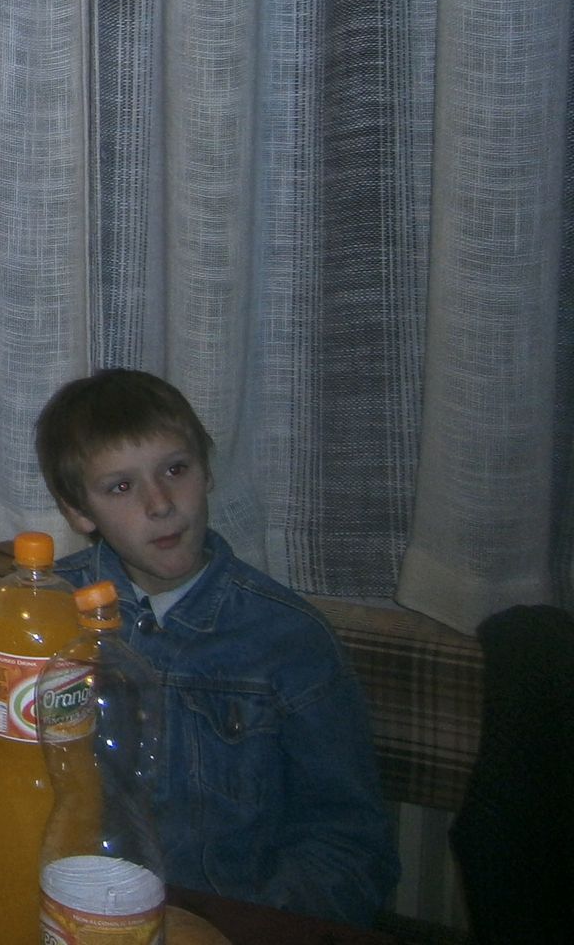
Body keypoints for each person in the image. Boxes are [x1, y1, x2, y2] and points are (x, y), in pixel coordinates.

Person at [28, 368, 396, 926]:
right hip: (61, 913)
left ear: (206, 472)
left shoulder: (290, 641)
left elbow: (349, 845)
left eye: (175, 470)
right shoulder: (37, 615)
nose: (160, 504)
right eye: (120, 487)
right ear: (79, 511)